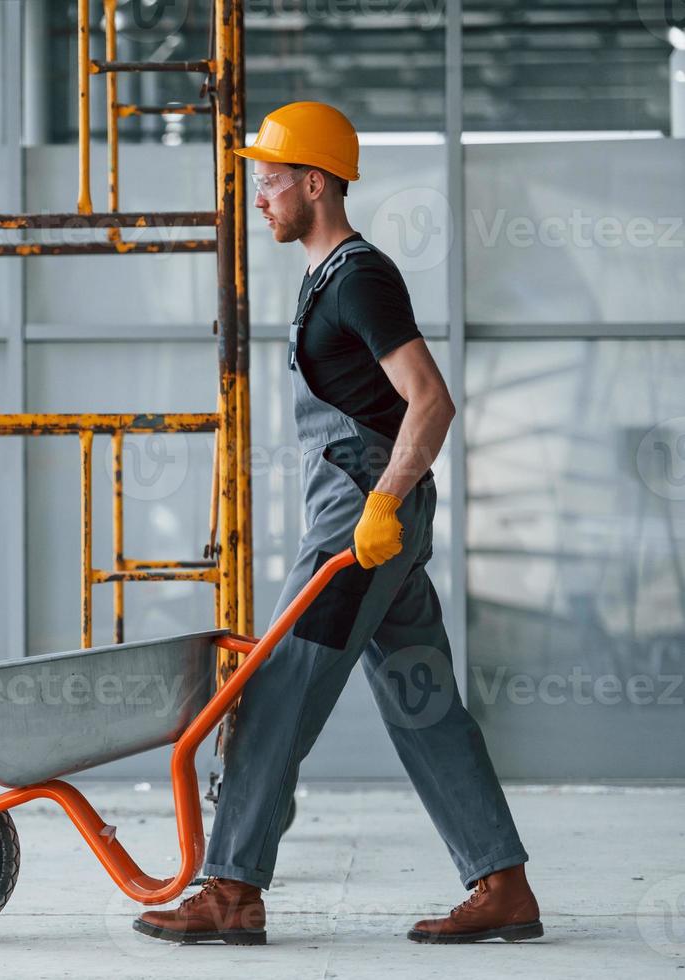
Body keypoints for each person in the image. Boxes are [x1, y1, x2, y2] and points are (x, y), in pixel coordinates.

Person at [134, 101, 542, 947]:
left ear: (313, 183)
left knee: (274, 690)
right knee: (424, 702)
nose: (260, 196)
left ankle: (233, 892)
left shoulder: (359, 278)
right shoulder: (326, 277)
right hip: (368, 522)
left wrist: (385, 507)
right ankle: (503, 885)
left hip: (362, 524)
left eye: (271, 179)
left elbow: (431, 402)